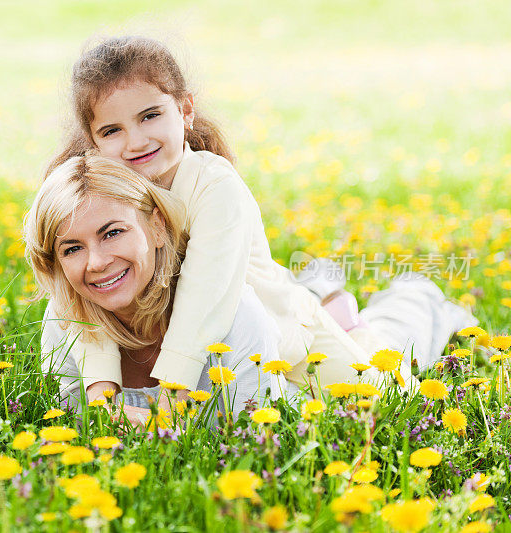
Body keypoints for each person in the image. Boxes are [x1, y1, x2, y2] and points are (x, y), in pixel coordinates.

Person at [44, 35, 475, 403]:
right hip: (206, 341)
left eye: (150, 115)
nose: (135, 142)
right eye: (112, 130)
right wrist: (101, 392)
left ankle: (412, 302)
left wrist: (173, 396)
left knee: (383, 393)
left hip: (278, 324)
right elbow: (84, 298)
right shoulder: (98, 195)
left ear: (185, 110)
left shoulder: (215, 185)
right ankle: (327, 294)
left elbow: (207, 293)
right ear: (93, 141)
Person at [24, 155, 293, 421]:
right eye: (72, 248)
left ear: (157, 226)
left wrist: (151, 428)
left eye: (113, 233)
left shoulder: (236, 317)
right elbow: (72, 429)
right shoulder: (65, 320)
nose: (96, 263)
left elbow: (258, 438)